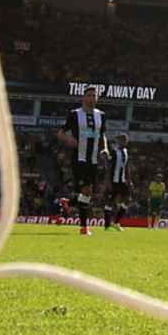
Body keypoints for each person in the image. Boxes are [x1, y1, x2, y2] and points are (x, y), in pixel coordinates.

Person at [56, 86, 109, 236]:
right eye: (89, 95)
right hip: (79, 158)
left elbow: (102, 135)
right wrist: (69, 139)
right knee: (86, 190)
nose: (92, 98)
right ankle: (84, 227)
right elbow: (60, 133)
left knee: (88, 193)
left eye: (94, 95)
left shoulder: (101, 115)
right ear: (84, 98)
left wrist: (104, 149)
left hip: (93, 159)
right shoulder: (74, 114)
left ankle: (68, 203)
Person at [103, 133, 130, 232]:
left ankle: (116, 222)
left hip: (122, 181)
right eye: (123, 139)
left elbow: (126, 167)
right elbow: (109, 167)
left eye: (126, 140)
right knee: (110, 202)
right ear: (119, 141)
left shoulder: (126, 151)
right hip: (113, 181)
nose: (125, 141)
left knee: (127, 200)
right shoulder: (114, 151)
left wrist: (129, 180)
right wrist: (108, 182)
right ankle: (107, 225)